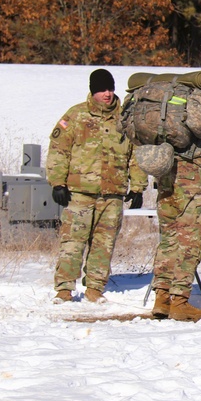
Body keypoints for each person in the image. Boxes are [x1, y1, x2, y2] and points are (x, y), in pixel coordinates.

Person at [48, 68, 147, 304]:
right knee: (73, 240)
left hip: (112, 193)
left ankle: (95, 288)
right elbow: (59, 150)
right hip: (80, 192)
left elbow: (136, 153)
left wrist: (138, 186)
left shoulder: (125, 118)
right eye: (102, 89)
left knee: (104, 243)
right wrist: (57, 182)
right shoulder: (75, 116)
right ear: (93, 91)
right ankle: (64, 289)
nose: (108, 94)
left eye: (111, 89)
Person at [150, 69, 201, 321]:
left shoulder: (176, 99)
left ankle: (161, 297)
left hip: (165, 173)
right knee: (189, 239)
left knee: (169, 236)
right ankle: (180, 302)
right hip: (192, 176)